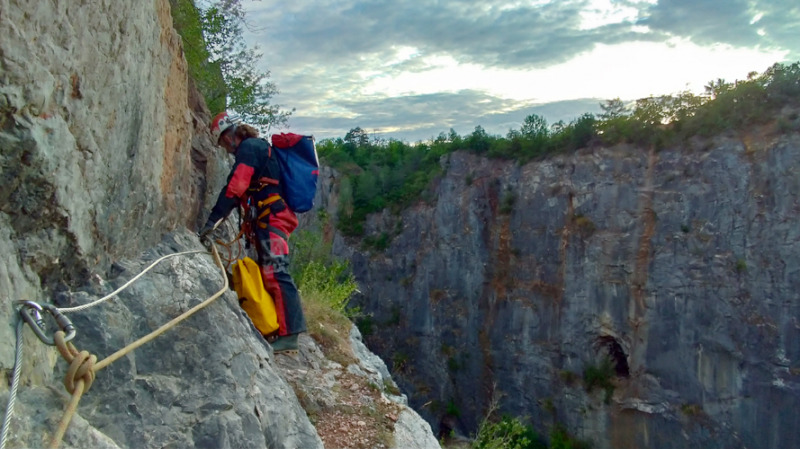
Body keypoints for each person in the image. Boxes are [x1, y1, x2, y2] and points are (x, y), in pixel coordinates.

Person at [199, 111, 307, 354]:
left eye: (223, 143)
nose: (225, 149)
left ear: (228, 137)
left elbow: (236, 186)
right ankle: (275, 326)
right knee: (269, 270)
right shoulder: (254, 148)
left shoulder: (249, 149)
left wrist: (213, 221)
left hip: (274, 219)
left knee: (277, 272)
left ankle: (290, 335)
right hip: (270, 219)